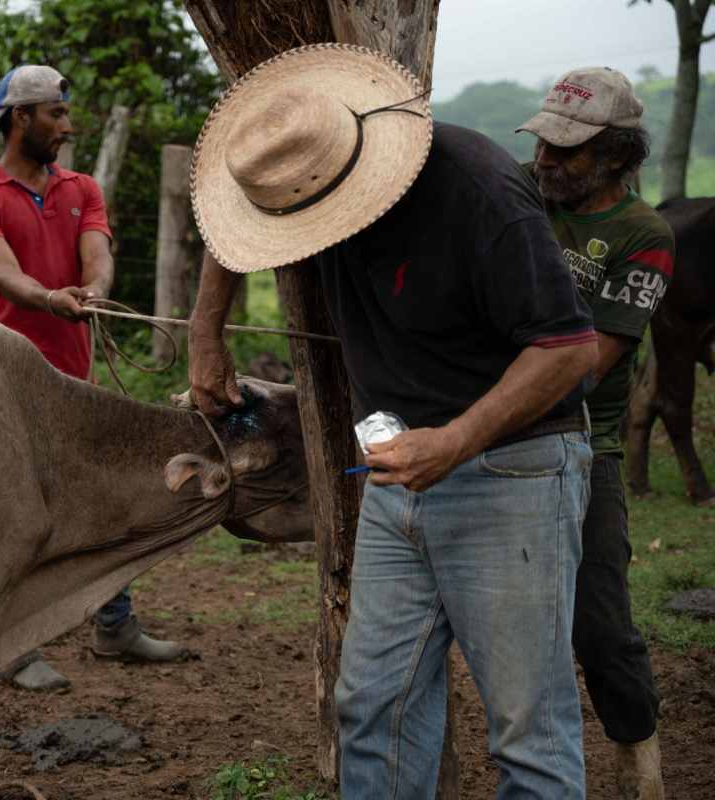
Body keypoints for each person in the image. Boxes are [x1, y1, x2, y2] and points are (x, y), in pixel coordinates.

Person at [185, 45, 597, 798]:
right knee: (372, 705)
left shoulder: (478, 193)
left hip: (512, 467)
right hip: (399, 471)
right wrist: (204, 334)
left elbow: (570, 351)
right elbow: (229, 227)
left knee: (526, 733)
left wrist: (457, 441)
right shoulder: (299, 172)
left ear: (359, 169)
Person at [0, 64, 187, 692]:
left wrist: (95, 291)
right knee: (16, 510)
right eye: (56, 114)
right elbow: (2, 276)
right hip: (6, 379)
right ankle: (10, 649)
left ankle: (114, 625)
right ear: (21, 118)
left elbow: (97, 255)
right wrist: (51, 299)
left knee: (103, 493)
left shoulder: (82, 188)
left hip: (75, 374)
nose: (66, 125)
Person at [517, 67, 672, 800]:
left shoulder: (642, 235)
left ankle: (640, 765)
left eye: (567, 151)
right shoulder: (518, 190)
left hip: (584, 442)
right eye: (543, 143)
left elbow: (588, 367)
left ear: (616, 157)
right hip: (482, 427)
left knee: (601, 629)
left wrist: (476, 398)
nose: (546, 161)